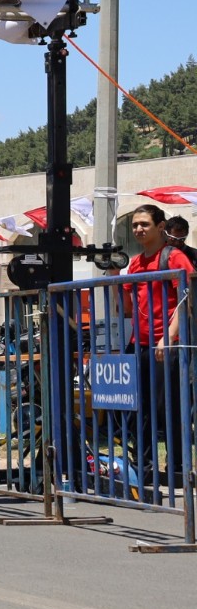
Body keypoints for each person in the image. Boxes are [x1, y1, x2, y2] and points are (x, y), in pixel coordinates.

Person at [117, 204, 192, 491]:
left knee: (168, 407)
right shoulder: (134, 263)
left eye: (144, 224)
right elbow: (125, 307)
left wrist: (168, 337)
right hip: (140, 343)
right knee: (141, 408)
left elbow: (186, 303)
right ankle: (145, 468)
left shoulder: (175, 257)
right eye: (135, 224)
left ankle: (177, 469)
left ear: (160, 227)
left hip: (168, 344)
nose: (138, 229)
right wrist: (114, 276)